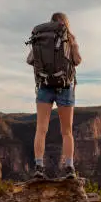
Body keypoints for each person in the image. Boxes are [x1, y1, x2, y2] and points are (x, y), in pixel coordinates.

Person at [26, 12, 82, 179]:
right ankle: (69, 168)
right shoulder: (70, 39)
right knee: (66, 131)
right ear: (65, 23)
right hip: (64, 87)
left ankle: (38, 166)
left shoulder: (41, 38)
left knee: (41, 129)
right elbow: (77, 60)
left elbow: (30, 60)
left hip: (44, 86)